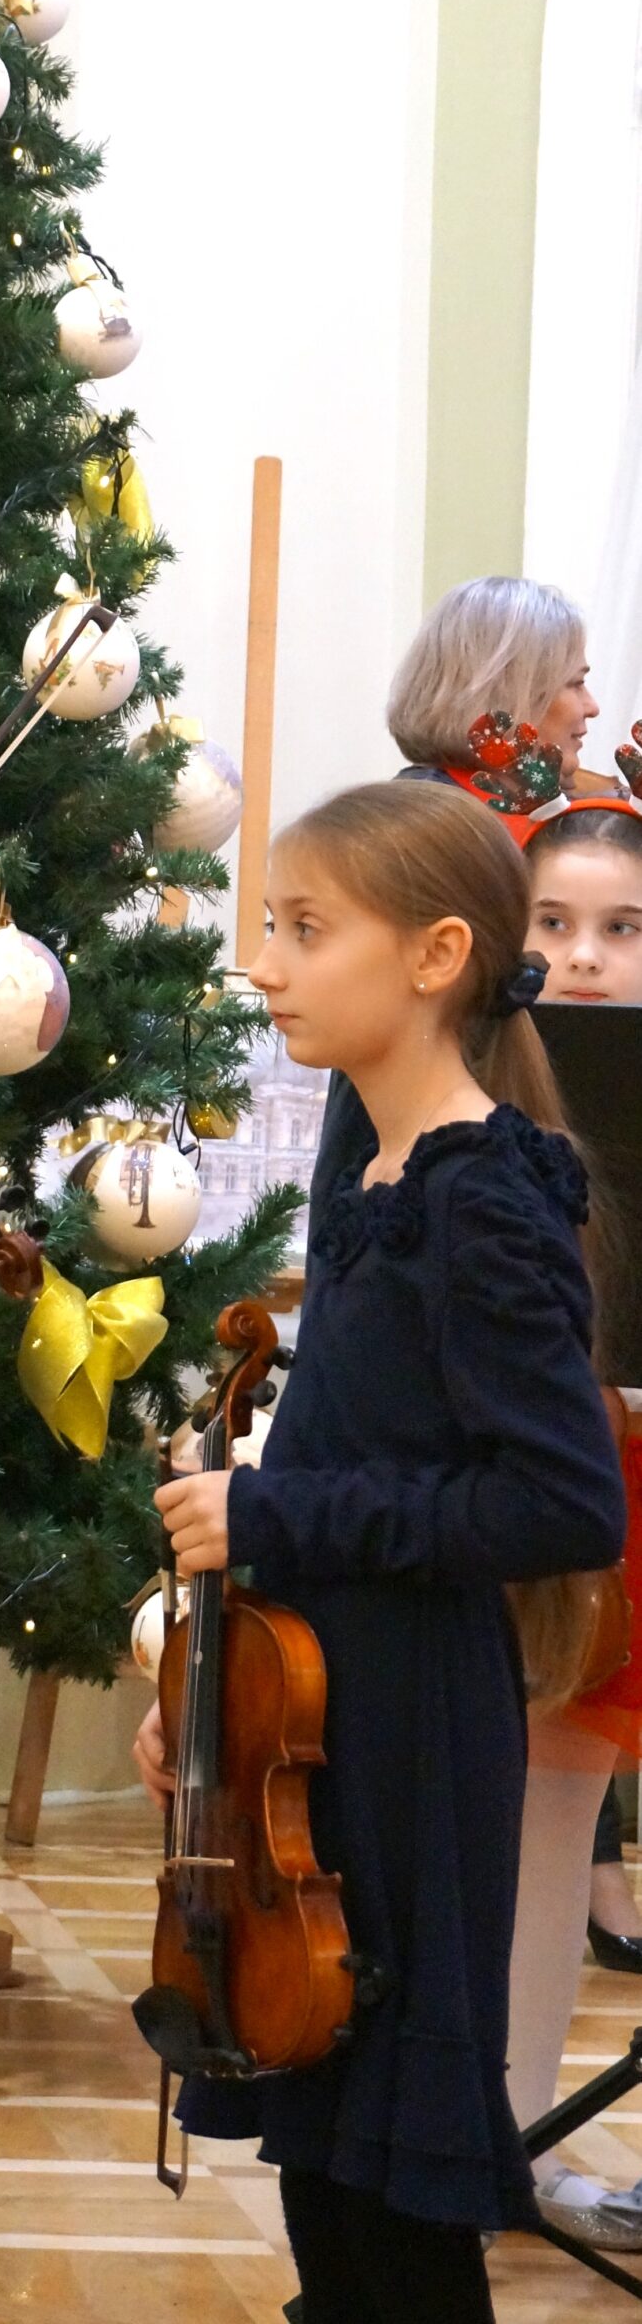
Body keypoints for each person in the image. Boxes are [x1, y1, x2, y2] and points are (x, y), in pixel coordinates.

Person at [134, 779, 625, 2324]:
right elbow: (363, 1453)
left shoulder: (480, 1196)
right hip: (323, 1714)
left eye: (299, 928)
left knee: (390, 2199)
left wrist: (273, 1514)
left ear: (430, 957)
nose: (263, 963)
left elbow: (560, 1505)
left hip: (415, 1730)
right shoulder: (372, 1175)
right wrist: (205, 1702)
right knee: (322, 2161)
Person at [505, 794, 642, 2248]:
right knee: (547, 1807)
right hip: (567, 1476)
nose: (582, 959)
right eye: (550, 927)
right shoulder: (485, 1098)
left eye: (617, 930)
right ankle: (510, 2138)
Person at [307, 576, 596, 1224]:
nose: (592, 707)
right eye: (574, 682)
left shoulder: (454, 815)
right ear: (510, 690)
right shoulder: (435, 838)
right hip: (427, 1208)